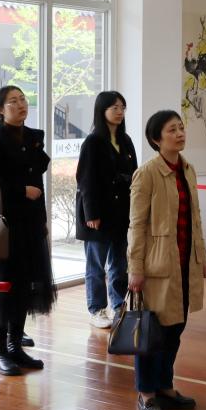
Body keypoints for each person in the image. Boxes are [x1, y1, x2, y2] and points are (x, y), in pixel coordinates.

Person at [128, 110, 206, 410]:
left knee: (176, 325)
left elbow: (195, 218)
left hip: (184, 261)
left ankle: (164, 385)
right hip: (157, 264)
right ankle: (146, 392)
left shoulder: (187, 169)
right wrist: (135, 268)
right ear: (156, 139)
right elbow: (136, 226)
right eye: (171, 130)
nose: (179, 134)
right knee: (153, 331)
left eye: (181, 128)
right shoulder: (146, 174)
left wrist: (202, 257)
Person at [0, 85, 56, 376]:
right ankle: (0, 351)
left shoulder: (33, 138)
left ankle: (15, 347)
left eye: (23, 99)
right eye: (13, 101)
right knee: (3, 289)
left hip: (30, 224)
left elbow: (39, 184)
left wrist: (43, 219)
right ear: (0, 109)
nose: (21, 104)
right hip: (5, 226)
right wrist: (21, 191)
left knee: (23, 287)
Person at [76, 91, 138, 329]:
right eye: (114, 108)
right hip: (99, 213)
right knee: (96, 264)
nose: (120, 112)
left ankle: (118, 304)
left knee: (119, 263)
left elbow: (135, 174)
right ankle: (96, 308)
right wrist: (91, 214)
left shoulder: (126, 140)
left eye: (122, 107)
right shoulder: (93, 142)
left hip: (121, 212)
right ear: (102, 111)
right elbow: (86, 180)